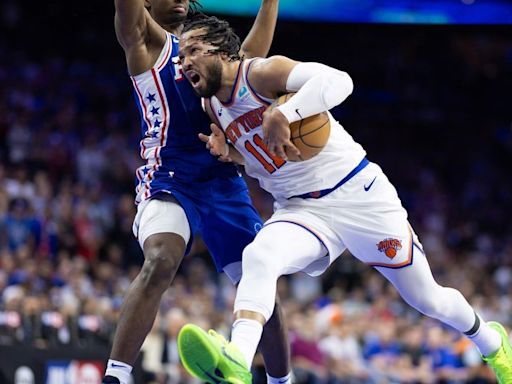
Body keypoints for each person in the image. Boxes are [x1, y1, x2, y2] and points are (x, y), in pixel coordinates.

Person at [176, 14, 512, 384]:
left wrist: (285, 113)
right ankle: (237, 359)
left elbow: (340, 82)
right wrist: (231, 153)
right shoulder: (211, 109)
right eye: (181, 56)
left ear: (223, 50)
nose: (186, 61)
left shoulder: (261, 74)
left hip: (358, 195)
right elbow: (262, 152)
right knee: (259, 255)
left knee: (427, 299)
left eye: (193, 49)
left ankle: (491, 341)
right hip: (301, 209)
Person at [105, 1, 292, 384]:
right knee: (161, 258)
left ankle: (281, 380)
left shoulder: (206, 51)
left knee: (261, 292)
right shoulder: (142, 41)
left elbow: (251, 59)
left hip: (224, 181)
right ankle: (116, 376)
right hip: (171, 177)